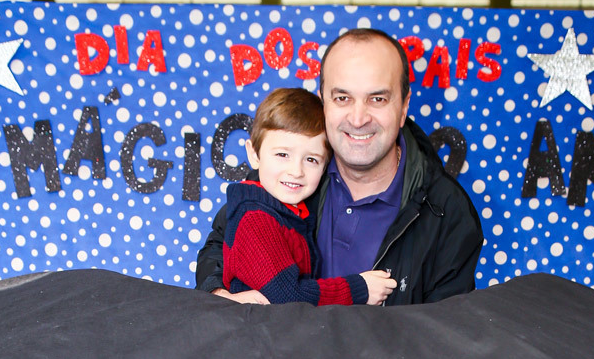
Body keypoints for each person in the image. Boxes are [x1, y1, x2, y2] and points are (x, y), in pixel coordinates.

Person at [196, 27, 483, 305]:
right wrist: (219, 295)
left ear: (404, 106)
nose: (358, 119)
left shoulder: (447, 210)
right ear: (323, 102)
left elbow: (445, 328)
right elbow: (221, 243)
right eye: (342, 98)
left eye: (377, 99)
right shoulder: (288, 175)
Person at [221, 87, 396, 306]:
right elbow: (288, 296)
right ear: (254, 154)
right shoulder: (255, 219)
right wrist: (360, 289)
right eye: (282, 154)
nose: (296, 171)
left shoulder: (293, 211)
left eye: (311, 160)